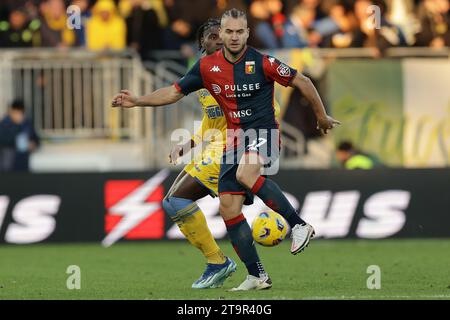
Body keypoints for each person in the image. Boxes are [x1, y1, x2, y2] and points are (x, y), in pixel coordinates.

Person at [112, 8, 340, 291]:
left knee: (245, 175)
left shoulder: (263, 62)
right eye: (227, 32)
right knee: (228, 208)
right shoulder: (206, 68)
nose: (232, 38)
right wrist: (138, 101)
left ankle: (299, 225)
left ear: (247, 33)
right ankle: (257, 275)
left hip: (263, 132)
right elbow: (173, 92)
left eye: (238, 32)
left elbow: (302, 81)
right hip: (234, 140)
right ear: (221, 34)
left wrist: (321, 116)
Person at [163, 18, 237, 290]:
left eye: (224, 35)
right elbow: (211, 119)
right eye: (213, 36)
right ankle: (224, 263)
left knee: (177, 201)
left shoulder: (238, 67)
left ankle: (218, 262)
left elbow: (269, 106)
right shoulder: (202, 72)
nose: (219, 39)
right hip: (216, 145)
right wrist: (190, 143)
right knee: (172, 202)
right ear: (201, 43)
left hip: (234, 146)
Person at [0, 100, 40, 172]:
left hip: (23, 165)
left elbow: (36, 139)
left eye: (21, 113)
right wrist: (21, 143)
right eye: (16, 113)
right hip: (8, 166)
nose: (19, 115)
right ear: (11, 111)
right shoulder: (4, 124)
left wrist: (34, 144)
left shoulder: (27, 123)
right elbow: (3, 140)